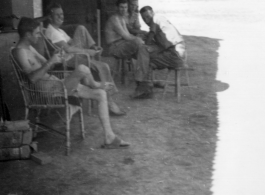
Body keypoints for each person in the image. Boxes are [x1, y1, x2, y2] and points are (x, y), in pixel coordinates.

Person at [13, 17, 130, 149]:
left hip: (57, 84)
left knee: (101, 94)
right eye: (37, 33)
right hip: (47, 92)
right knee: (82, 68)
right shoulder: (20, 52)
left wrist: (56, 57)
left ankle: (109, 137)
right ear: (28, 34)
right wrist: (51, 62)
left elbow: (45, 65)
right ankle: (95, 84)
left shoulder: (29, 48)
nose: (39, 36)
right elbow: (32, 78)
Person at [45, 3, 125, 116]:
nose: (61, 17)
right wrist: (88, 51)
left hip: (75, 57)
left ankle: (110, 101)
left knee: (103, 66)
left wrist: (89, 49)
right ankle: (110, 103)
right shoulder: (51, 32)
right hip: (67, 61)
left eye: (62, 14)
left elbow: (74, 43)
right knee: (81, 28)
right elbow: (68, 49)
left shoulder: (59, 31)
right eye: (57, 15)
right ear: (50, 17)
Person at [105, 0, 153, 99]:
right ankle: (142, 83)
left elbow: (129, 35)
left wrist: (141, 38)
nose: (124, 9)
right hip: (114, 47)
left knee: (143, 50)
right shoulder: (114, 19)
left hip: (121, 44)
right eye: (121, 7)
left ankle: (144, 84)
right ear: (117, 8)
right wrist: (140, 40)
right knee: (140, 45)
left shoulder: (121, 18)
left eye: (125, 7)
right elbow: (126, 36)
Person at [140, 6, 187, 88]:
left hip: (175, 54)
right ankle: (151, 84)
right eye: (143, 18)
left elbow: (149, 40)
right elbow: (164, 42)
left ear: (153, 13)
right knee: (149, 56)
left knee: (146, 59)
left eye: (148, 16)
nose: (146, 20)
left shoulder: (154, 20)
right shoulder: (160, 18)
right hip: (181, 52)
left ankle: (146, 88)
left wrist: (146, 40)